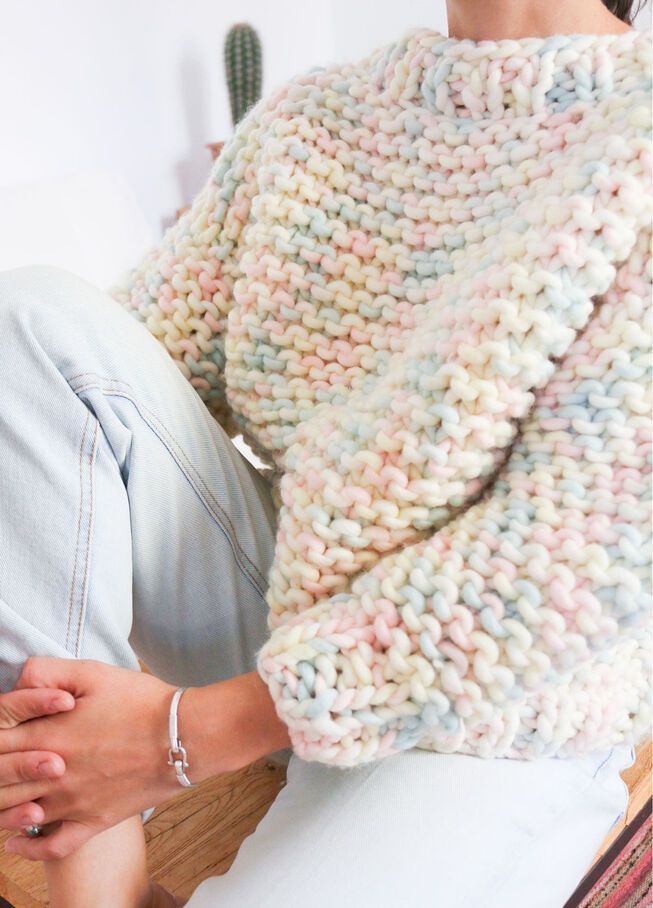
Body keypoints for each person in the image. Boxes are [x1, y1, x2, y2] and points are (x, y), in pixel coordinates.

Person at [0, 1, 650, 905]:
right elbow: (89, 392)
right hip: (282, 615)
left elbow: (569, 566)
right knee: (27, 325)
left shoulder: (637, 134)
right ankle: (96, 880)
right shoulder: (314, 120)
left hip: (497, 714)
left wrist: (178, 737)